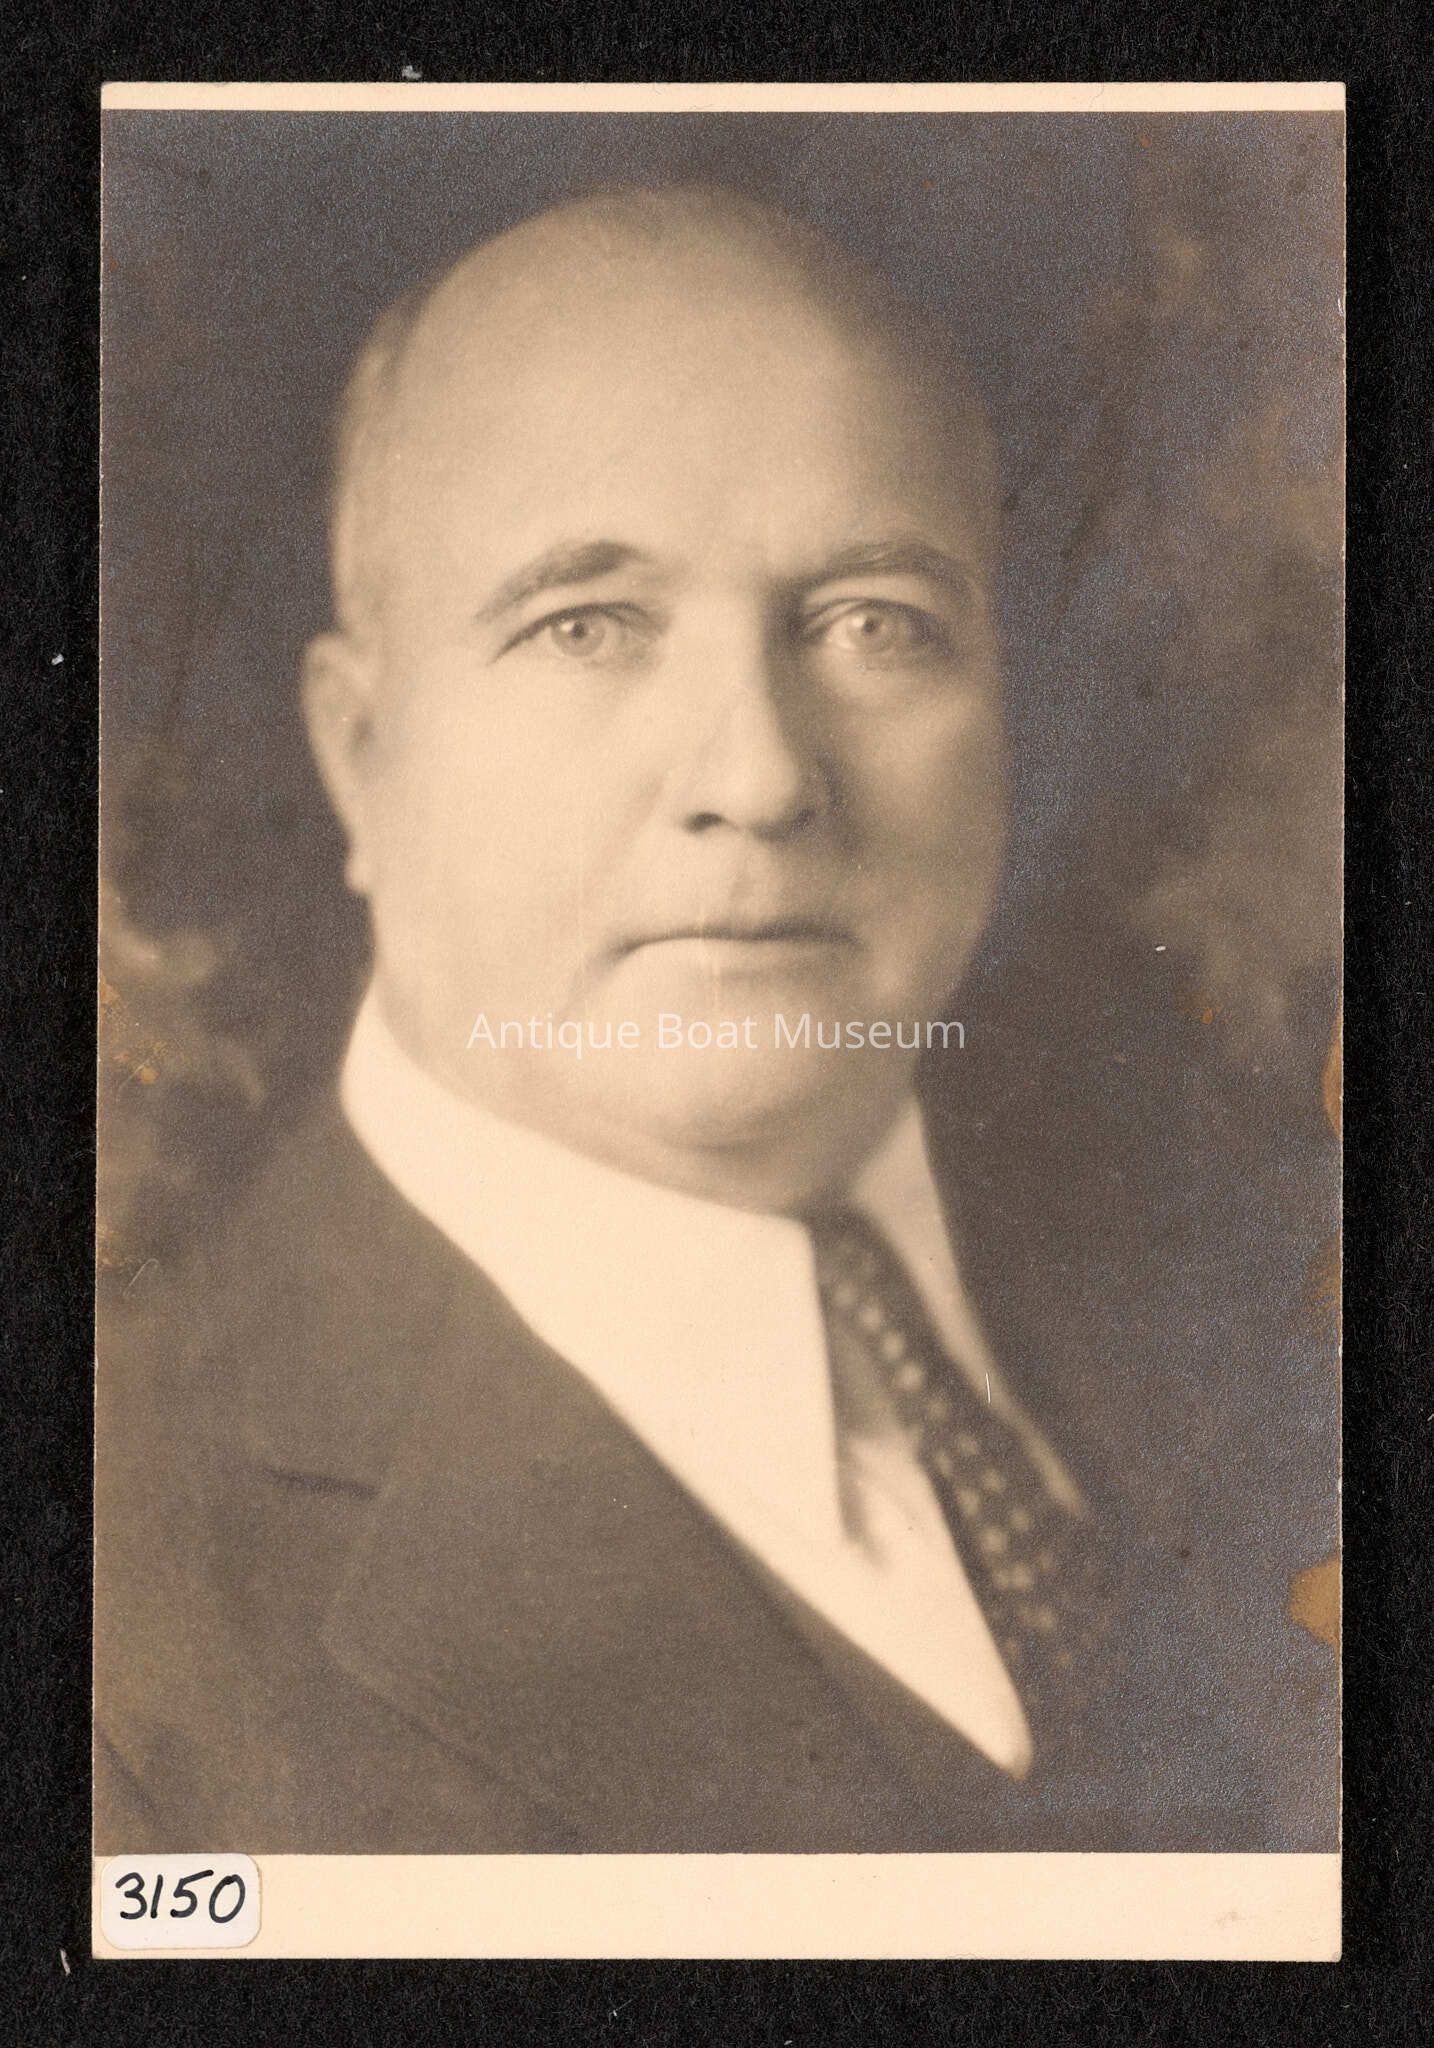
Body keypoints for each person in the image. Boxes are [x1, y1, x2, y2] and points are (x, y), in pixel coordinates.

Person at [95, 185, 1274, 1853]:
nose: (760, 776)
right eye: (586, 625)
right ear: (360, 753)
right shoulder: (116, 1599)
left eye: (875, 622)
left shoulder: (1275, 1309)